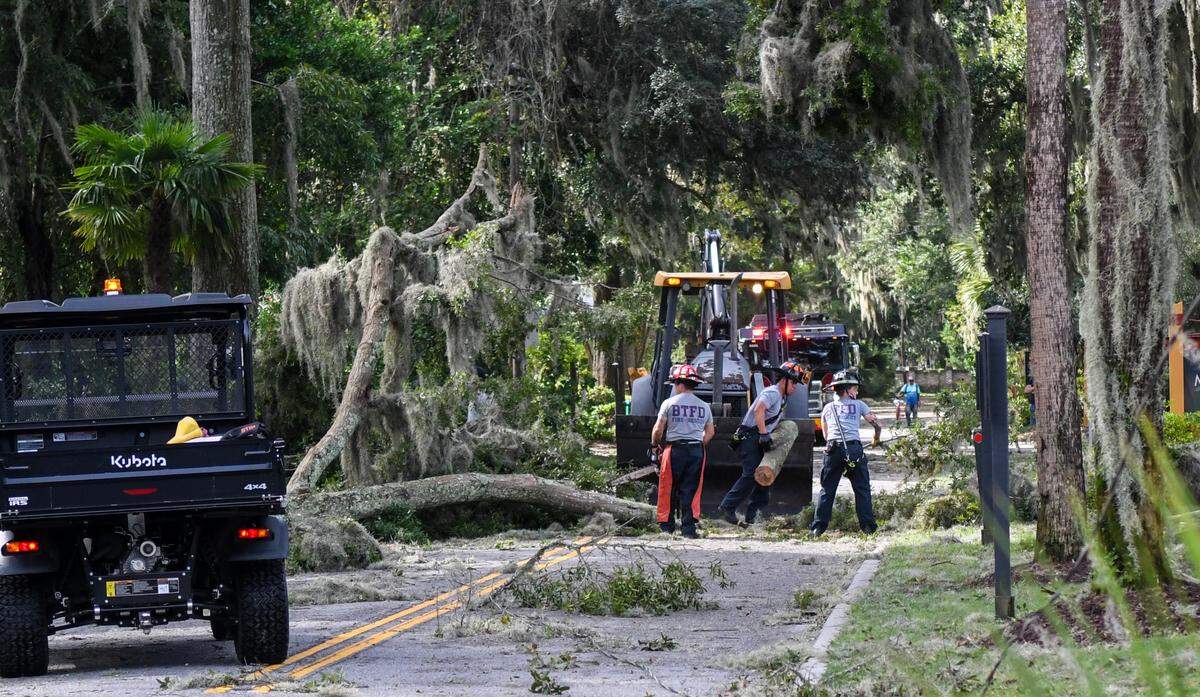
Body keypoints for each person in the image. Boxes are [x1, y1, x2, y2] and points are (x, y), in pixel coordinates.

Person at [717, 360, 809, 526]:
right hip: (750, 438)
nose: (795, 387)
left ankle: (752, 516)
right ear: (785, 379)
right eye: (794, 383)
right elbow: (759, 410)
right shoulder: (773, 392)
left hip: (759, 437)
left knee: (764, 477)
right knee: (751, 474)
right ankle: (726, 507)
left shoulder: (782, 398)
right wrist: (764, 434)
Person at [812, 370, 882, 536]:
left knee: (827, 490)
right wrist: (876, 438)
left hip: (832, 450)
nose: (856, 392)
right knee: (862, 489)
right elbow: (877, 425)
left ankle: (817, 528)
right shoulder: (859, 405)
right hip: (854, 450)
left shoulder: (828, 408)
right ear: (847, 390)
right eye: (855, 388)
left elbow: (826, 435)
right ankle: (868, 528)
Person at [650, 364, 715, 539]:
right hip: (696, 452)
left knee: (668, 487)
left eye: (674, 383)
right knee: (691, 490)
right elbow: (710, 433)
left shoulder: (669, 403)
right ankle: (688, 529)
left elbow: (658, 429)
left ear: (679, 383)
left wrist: (655, 446)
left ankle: (666, 528)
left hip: (674, 450)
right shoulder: (704, 406)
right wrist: (697, 443)